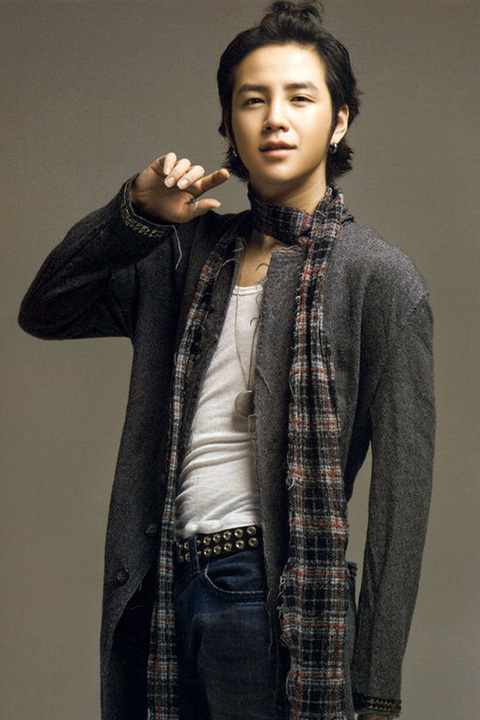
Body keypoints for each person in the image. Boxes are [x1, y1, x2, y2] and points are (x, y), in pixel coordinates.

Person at [18, 2, 435, 719]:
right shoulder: (183, 253)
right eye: (253, 100)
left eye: (300, 98)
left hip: (274, 598)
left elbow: (403, 500)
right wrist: (134, 214)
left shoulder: (378, 279)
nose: (275, 119)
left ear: (338, 121)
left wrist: (374, 686)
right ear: (229, 125)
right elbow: (46, 309)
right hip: (160, 588)